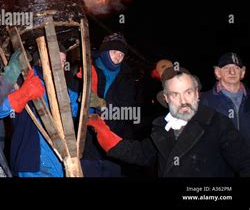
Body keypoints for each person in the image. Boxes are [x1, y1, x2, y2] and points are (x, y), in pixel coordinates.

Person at [87, 67, 250, 177]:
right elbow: (141, 154)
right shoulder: (163, 128)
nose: (183, 101)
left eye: (188, 92)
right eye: (175, 95)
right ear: (166, 98)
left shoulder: (218, 124)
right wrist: (103, 132)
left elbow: (245, 164)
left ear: (197, 94)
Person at [0, 47, 78, 177]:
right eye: (55, 59)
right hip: (32, 165)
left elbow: (81, 110)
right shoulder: (23, 80)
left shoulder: (63, 89)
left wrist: (91, 103)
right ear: (41, 59)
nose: (60, 65)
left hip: (61, 164)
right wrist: (23, 94)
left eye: (63, 61)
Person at [81, 32, 138, 177]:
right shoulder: (87, 70)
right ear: (105, 51)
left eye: (121, 54)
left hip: (113, 146)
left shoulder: (126, 79)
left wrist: (103, 106)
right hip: (87, 145)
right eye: (114, 52)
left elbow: (127, 112)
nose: (118, 57)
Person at [200, 52, 249, 144]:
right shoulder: (205, 100)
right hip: (218, 157)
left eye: (236, 68)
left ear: (242, 73)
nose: (232, 72)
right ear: (218, 72)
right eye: (226, 68)